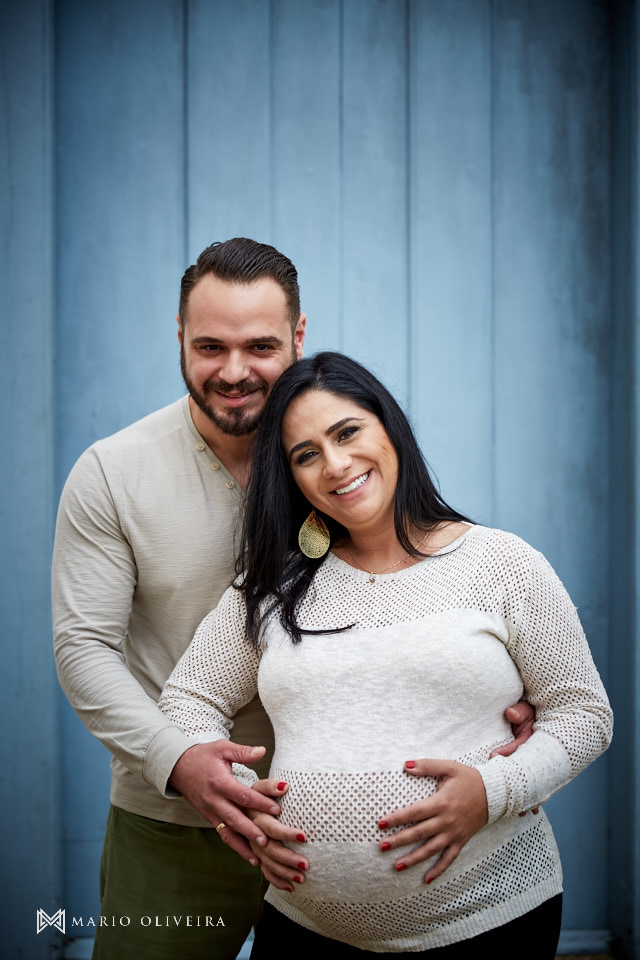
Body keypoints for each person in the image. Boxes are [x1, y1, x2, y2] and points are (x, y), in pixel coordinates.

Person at [53, 239, 535, 960]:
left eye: (261, 345)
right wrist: (178, 758)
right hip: (175, 823)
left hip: (350, 848)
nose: (235, 371)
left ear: (299, 335)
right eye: (210, 345)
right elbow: (82, 650)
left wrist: (505, 692)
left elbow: (422, 590)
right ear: (179, 334)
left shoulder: (342, 454)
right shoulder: (112, 473)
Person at [158, 351, 613, 958]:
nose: (336, 465)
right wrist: (239, 808)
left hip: (488, 919)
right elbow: (187, 701)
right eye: (306, 455)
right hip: (303, 929)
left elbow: (584, 716)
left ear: (390, 427)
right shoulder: (272, 587)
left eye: (347, 433)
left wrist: (492, 791)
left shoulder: (504, 565)